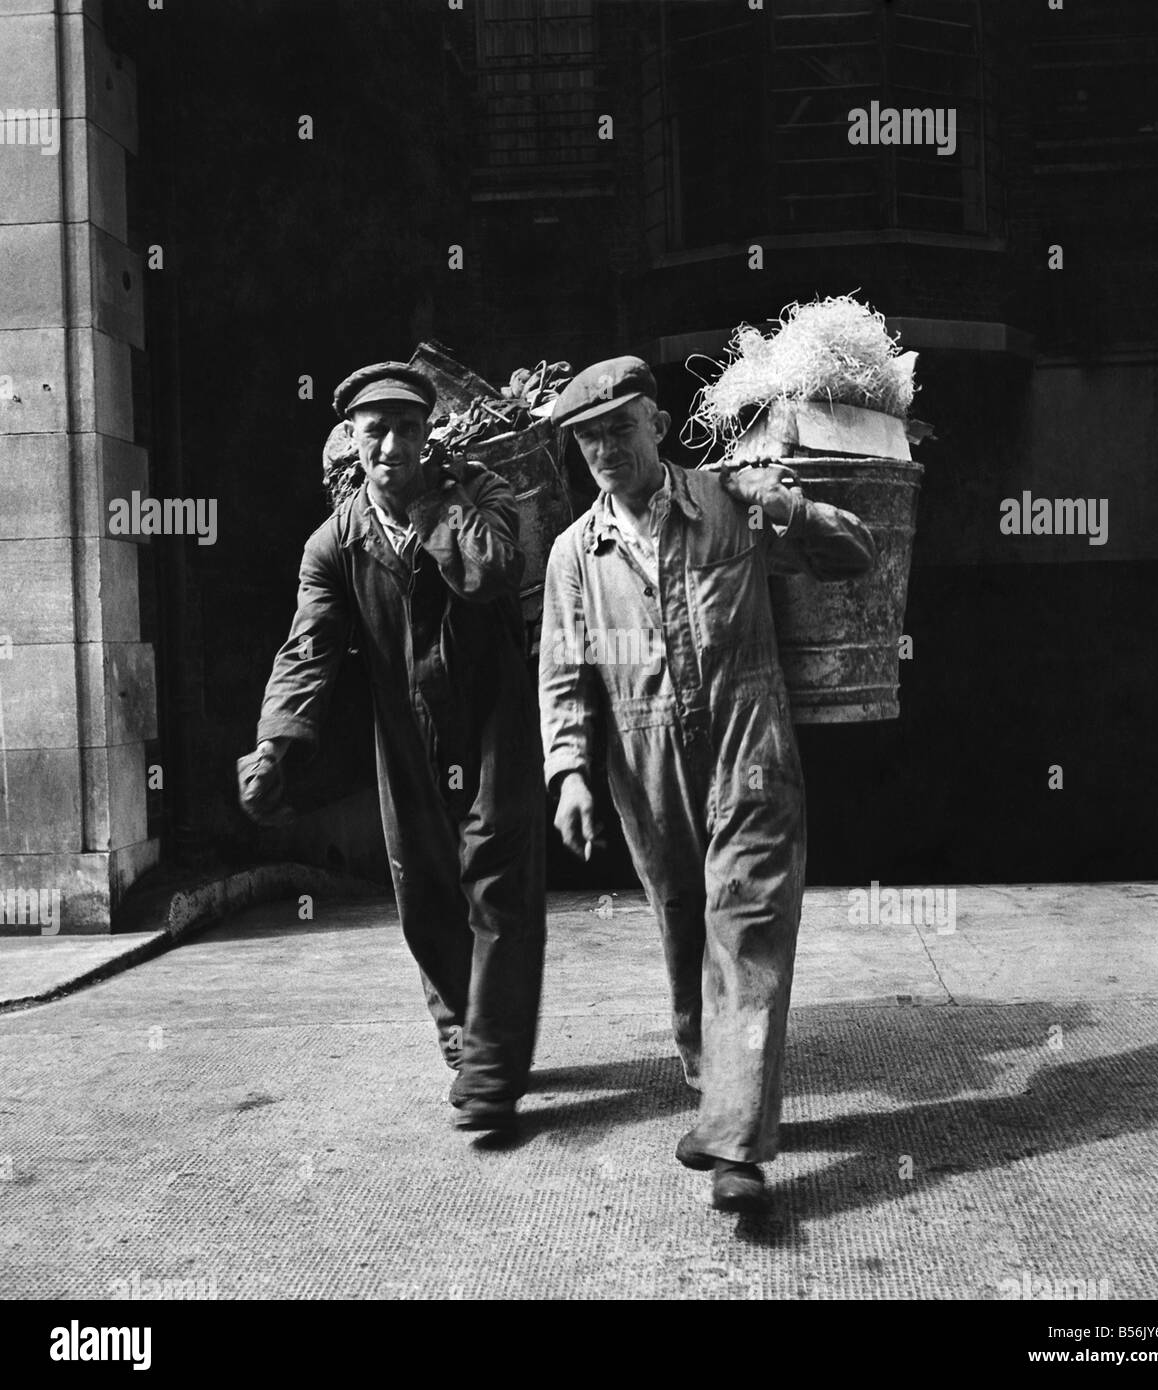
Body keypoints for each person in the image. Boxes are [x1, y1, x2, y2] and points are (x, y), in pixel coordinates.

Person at [539, 356, 876, 1211]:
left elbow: (855, 555)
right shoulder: (575, 555)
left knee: (748, 932)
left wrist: (788, 505)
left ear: (656, 422)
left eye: (620, 427)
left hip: (747, 744)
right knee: (685, 930)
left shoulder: (729, 502)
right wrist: (569, 772)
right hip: (642, 763)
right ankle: (713, 1070)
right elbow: (566, 673)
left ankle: (734, 1146)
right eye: (587, 439)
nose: (605, 449)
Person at [239, 361, 546, 1136]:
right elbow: (307, 648)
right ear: (353, 438)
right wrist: (276, 744)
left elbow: (494, 572)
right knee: (424, 893)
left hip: (493, 718)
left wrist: (439, 502)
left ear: (428, 434)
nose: (392, 445)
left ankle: (491, 1075)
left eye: (408, 428)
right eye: (375, 430)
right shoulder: (335, 542)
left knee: (499, 883)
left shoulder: (481, 495)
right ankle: (468, 1043)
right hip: (404, 730)